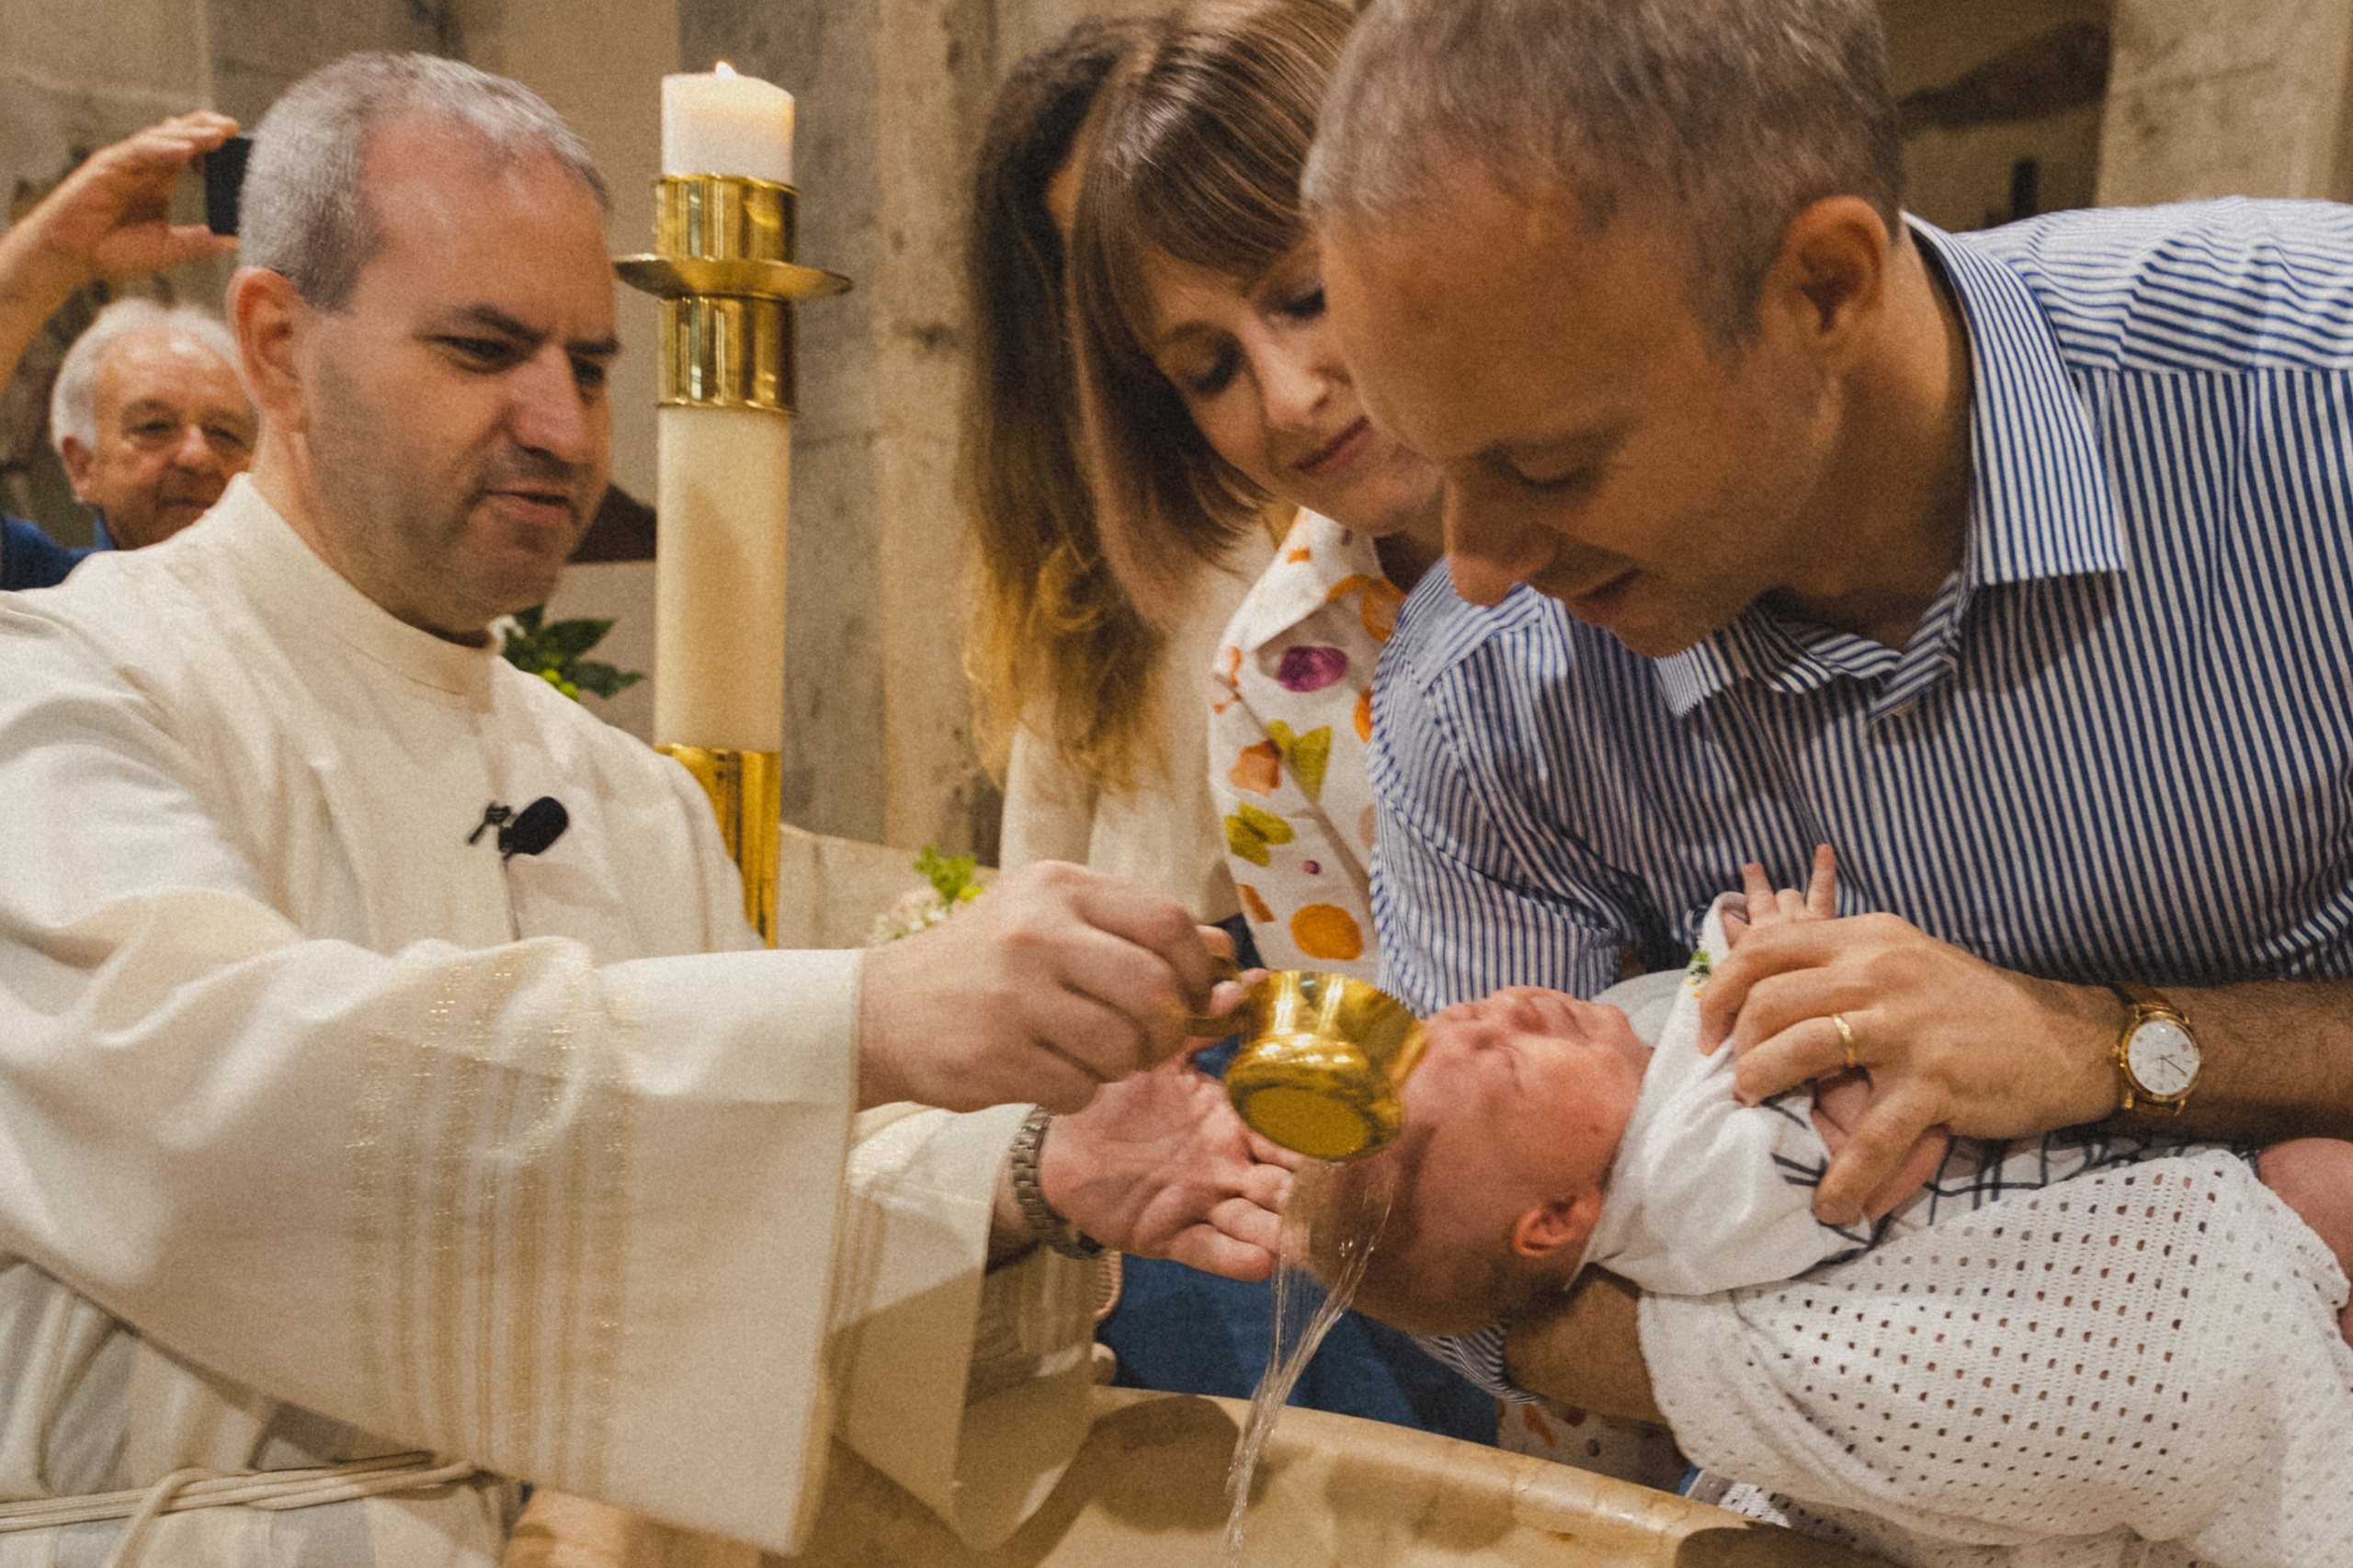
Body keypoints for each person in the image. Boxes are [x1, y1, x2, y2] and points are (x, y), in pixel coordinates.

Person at [0, 51, 1284, 1565]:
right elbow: (225, 1103)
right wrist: (863, 1016)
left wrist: (1029, 1174)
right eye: (485, 351)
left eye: (595, 367)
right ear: (277, 348)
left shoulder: (628, 803)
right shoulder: (67, 686)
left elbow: (707, 1246)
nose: (563, 425)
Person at [1303, 0, 2353, 1558]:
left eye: (1547, 465)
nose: (1477, 562)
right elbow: (1468, 1278)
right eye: (1431, 462)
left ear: (1825, 285)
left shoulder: (2312, 413)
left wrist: (2107, 1046)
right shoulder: (1487, 700)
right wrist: (1947, 1386)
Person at [1324, 853, 2353, 1355]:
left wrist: (1769, 951)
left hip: (2123, 1171)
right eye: (1505, 1064)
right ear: (1555, 1216)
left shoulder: (1627, 1082)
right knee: (2320, 1189)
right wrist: (1805, 969)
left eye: (1465, 1015)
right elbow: (1887, 1147)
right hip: (2101, 1259)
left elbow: (1722, 1008)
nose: (1510, 1009)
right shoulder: (1679, 1192)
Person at [1065, 0, 1443, 984]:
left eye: (1307, 297)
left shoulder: (1669, 489)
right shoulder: (1268, 682)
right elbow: (1380, 1050)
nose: (1287, 399)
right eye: (1210, 370)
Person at [0, 111, 253, 587]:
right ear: (83, 465)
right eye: (154, 426)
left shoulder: (305, 609)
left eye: (225, 434)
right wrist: (50, 255)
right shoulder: (41, 590)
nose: (197, 456)